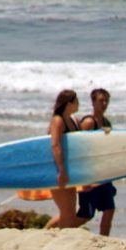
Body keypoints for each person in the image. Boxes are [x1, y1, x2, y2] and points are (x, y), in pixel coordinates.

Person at [76, 88, 117, 236]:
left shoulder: (106, 123)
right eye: (100, 100)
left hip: (102, 174)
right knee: (85, 215)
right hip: (89, 174)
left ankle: (104, 241)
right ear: (93, 102)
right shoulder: (88, 122)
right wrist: (82, 179)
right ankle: (52, 230)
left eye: (106, 100)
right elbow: (78, 149)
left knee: (109, 209)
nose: (104, 104)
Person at [45, 89, 88, 230]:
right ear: (69, 103)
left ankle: (49, 236)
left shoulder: (73, 120)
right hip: (57, 171)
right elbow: (55, 145)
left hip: (68, 171)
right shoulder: (58, 120)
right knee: (67, 213)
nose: (78, 104)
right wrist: (61, 170)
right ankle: (56, 240)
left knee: (69, 212)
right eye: (76, 101)